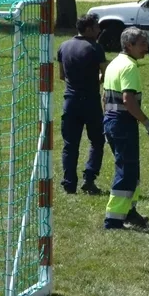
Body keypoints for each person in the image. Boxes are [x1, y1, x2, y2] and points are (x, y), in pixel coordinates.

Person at [101, 27, 149, 230]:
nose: (146, 48)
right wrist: (147, 123)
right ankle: (113, 220)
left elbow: (104, 96)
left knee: (131, 171)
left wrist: (107, 121)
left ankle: (129, 212)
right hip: (123, 123)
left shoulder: (114, 63)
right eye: (142, 44)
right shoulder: (129, 67)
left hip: (111, 121)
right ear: (129, 45)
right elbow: (128, 100)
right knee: (126, 172)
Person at [57, 13, 108, 195]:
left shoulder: (63, 46)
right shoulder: (95, 48)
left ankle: (69, 184)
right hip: (91, 102)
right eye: (96, 27)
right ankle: (89, 178)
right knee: (97, 140)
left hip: (70, 102)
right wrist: (96, 80)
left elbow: (61, 75)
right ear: (88, 29)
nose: (99, 30)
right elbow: (105, 74)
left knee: (70, 145)